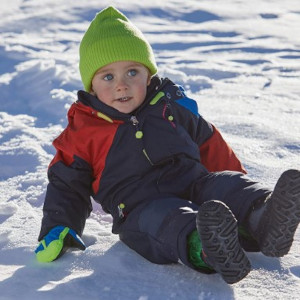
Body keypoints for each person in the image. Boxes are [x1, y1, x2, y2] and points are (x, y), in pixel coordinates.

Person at [35, 6, 300, 284]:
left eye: (132, 72)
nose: (122, 85)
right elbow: (66, 185)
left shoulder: (170, 107)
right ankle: (208, 248)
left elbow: (210, 143)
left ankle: (264, 219)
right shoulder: (83, 132)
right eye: (108, 77)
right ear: (91, 87)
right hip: (139, 207)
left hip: (194, 183)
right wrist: (58, 227)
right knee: (168, 220)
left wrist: (236, 185)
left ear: (148, 76)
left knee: (225, 185)